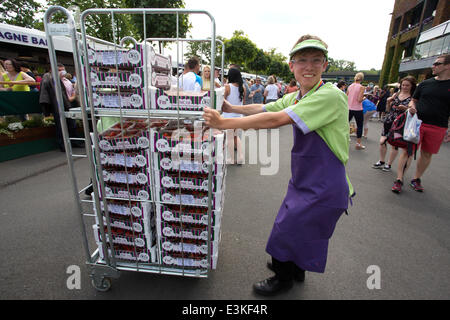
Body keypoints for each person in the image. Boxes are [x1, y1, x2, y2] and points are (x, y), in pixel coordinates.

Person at [203, 34, 353, 296]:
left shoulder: (330, 95)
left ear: (325, 65)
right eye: (302, 60)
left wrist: (223, 123)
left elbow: (275, 120)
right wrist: (231, 108)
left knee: (287, 227)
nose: (309, 66)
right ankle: (296, 270)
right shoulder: (301, 95)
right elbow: (265, 108)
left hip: (325, 184)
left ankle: (282, 277)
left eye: (316, 60)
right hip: (306, 180)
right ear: (291, 65)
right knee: (303, 229)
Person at [391, 54, 450, 194]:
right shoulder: (425, 84)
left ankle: (416, 178)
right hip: (417, 123)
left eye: (437, 63)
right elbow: (414, 100)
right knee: (408, 151)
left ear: (447, 66)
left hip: (438, 126)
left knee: (427, 154)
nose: (433, 66)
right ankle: (399, 179)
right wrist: (412, 106)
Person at [372, 76, 416, 172]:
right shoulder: (396, 94)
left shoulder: (413, 98)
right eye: (403, 85)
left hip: (400, 123)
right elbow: (388, 109)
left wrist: (405, 109)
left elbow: (413, 112)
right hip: (389, 120)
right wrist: (388, 103)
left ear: (412, 86)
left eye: (407, 85)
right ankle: (382, 160)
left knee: (394, 143)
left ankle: (389, 164)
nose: (404, 87)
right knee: (382, 141)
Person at [39, 64, 82, 152]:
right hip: (59, 106)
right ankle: (63, 145)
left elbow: (72, 91)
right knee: (61, 126)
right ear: (52, 70)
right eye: (59, 70)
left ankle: (76, 142)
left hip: (69, 105)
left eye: (63, 70)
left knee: (72, 125)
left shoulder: (67, 80)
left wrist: (72, 98)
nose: (61, 72)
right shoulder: (50, 79)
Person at [223, 67, 246, 164]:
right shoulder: (243, 88)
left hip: (228, 117)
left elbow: (222, 102)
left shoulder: (227, 87)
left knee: (230, 138)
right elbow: (243, 103)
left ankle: (232, 159)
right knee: (236, 137)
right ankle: (240, 157)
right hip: (239, 116)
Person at [346, 72, 366, 150]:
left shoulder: (350, 86)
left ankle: (344, 140)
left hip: (349, 108)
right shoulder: (361, 87)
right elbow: (359, 99)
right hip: (357, 109)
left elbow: (346, 96)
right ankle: (358, 143)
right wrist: (365, 98)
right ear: (362, 79)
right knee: (360, 126)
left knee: (345, 124)